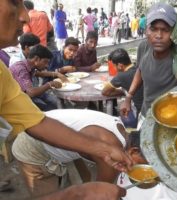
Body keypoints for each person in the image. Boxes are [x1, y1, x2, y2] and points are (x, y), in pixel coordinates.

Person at [0, 1, 131, 198]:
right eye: (13, 2)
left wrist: (102, 150)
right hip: (30, 150)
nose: (26, 17)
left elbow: (38, 121)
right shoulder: (110, 139)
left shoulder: (2, 74)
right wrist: (75, 195)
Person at [11, 109, 131, 197]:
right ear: (134, 150)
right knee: (50, 195)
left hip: (46, 128)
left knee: (73, 186)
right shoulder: (111, 150)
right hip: (32, 145)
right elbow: (100, 193)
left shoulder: (119, 130)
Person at [120, 2, 177, 125]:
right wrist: (129, 97)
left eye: (165, 30)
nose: (159, 36)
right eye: (153, 29)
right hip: (145, 116)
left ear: (174, 31)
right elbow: (140, 70)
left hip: (170, 122)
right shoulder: (144, 47)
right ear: (146, 30)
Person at [9, 44, 65, 111]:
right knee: (48, 108)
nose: (47, 66)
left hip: (25, 95)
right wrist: (50, 84)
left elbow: (40, 73)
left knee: (56, 101)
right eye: (45, 62)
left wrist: (57, 74)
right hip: (16, 100)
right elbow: (31, 93)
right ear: (36, 59)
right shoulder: (21, 69)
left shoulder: (28, 65)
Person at [102, 48, 143, 128]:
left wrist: (123, 91)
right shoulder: (137, 69)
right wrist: (125, 91)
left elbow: (105, 91)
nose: (114, 69)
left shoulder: (121, 76)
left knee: (122, 109)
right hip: (146, 106)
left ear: (120, 65)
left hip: (139, 113)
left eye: (114, 66)